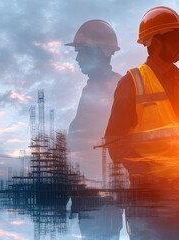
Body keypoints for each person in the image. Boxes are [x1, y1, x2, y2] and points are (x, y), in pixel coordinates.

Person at [105, 6, 179, 239]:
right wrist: (143, 174)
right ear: (155, 42)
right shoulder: (132, 82)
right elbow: (114, 139)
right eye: (176, 38)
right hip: (147, 200)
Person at [65, 19, 123, 239]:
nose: (77, 58)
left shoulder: (117, 89)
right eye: (78, 52)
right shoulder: (92, 89)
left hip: (103, 197)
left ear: (103, 52)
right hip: (90, 196)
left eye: (83, 51)